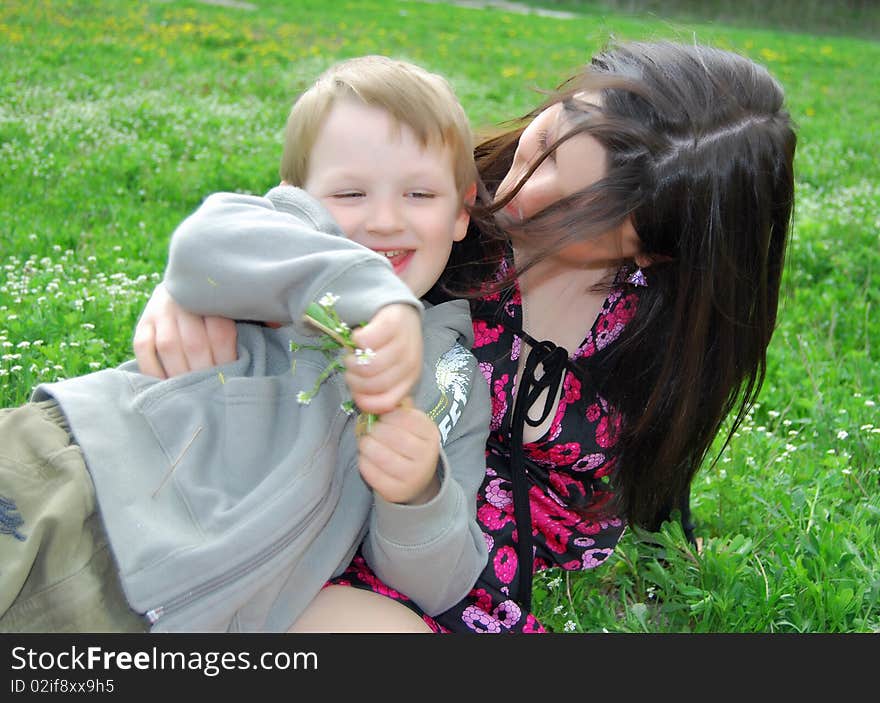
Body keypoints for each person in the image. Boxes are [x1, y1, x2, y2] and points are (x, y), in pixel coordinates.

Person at [133, 41, 798, 633]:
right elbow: (295, 232)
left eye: (573, 206)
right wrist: (185, 292)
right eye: (545, 143)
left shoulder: (665, 328)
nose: (519, 192)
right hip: (372, 498)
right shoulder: (444, 211)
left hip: (458, 540)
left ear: (656, 253)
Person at [0, 55, 491, 632]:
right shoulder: (273, 249)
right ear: (293, 196)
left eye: (419, 195)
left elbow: (440, 583)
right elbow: (205, 244)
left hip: (183, 617)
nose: (383, 220)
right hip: (73, 483)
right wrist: (373, 296)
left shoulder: (455, 379)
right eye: (351, 193)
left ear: (462, 211)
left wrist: (418, 495)